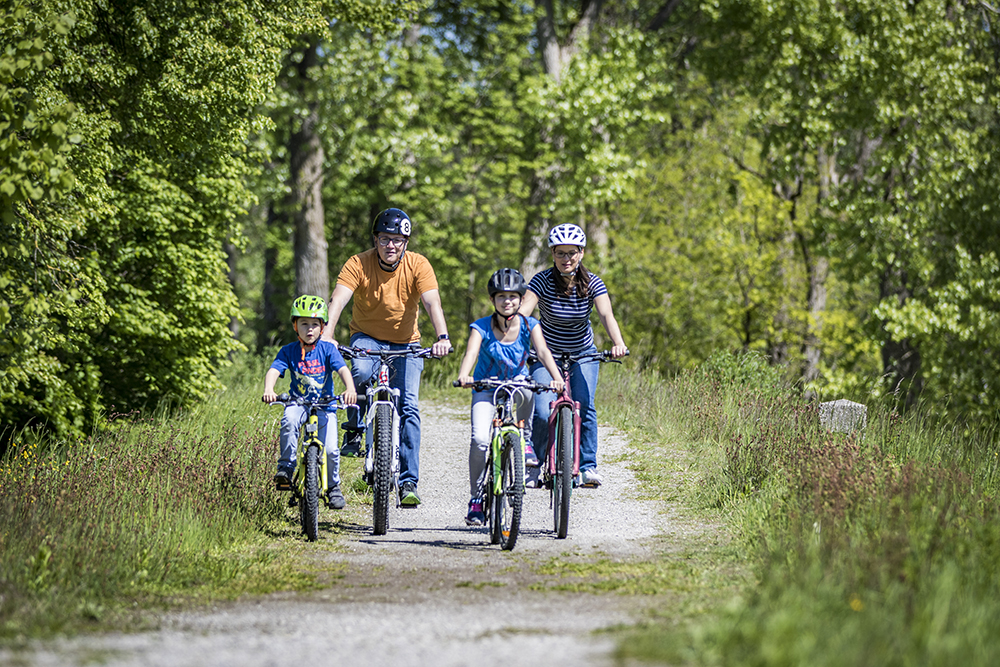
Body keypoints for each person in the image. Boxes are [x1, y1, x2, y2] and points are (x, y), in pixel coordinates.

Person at [321, 207, 451, 507]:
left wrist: (442, 337)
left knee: (408, 407)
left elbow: (432, 303)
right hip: (366, 337)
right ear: (375, 240)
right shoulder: (358, 263)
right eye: (384, 239)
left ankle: (408, 482)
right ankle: (353, 429)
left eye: (397, 240)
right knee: (361, 374)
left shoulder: (419, 264)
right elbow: (338, 298)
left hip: (407, 342)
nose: (390, 245)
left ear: (405, 242)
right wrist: (327, 332)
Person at [518, 224, 628, 488]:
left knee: (585, 405)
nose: (566, 259)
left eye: (572, 253)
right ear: (553, 254)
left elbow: (605, 315)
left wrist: (618, 342)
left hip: (583, 353)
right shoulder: (542, 281)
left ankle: (588, 466)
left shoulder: (593, 283)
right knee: (543, 411)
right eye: (560, 254)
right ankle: (537, 465)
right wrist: (512, 340)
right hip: (547, 355)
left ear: (581, 253)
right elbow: (524, 314)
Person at [455, 268, 564, 526]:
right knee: (480, 440)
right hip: (486, 385)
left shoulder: (530, 325)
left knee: (527, 388)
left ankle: (524, 440)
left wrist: (556, 377)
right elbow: (471, 353)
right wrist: (464, 375)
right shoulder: (480, 326)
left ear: (521, 299)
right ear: (492, 300)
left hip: (516, 384)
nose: (507, 302)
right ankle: (476, 499)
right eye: (501, 296)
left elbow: (544, 352)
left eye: (513, 297)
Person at [262, 295, 358, 509]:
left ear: (322, 327)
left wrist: (350, 389)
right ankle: (286, 467)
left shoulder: (328, 350)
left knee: (332, 450)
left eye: (315, 324)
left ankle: (333, 486)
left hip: (325, 406)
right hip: (298, 403)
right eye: (304, 324)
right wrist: (269, 389)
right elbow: (274, 370)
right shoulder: (289, 351)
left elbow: (342, 370)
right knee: (288, 422)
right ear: (295, 326)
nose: (310, 329)